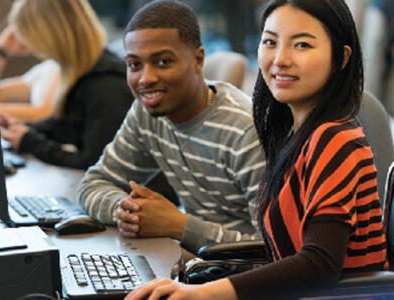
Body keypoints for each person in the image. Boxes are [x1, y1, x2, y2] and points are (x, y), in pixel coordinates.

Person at [126, 0, 387, 299]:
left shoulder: (335, 140)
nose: (280, 59)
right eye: (270, 42)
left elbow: (320, 264)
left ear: (341, 58)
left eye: (302, 45)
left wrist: (203, 293)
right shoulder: (294, 133)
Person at [77, 0, 264, 254]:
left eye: (163, 62)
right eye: (134, 65)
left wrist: (179, 225)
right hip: (193, 260)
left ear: (198, 59)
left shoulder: (246, 131)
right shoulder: (147, 113)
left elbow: (271, 249)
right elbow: (94, 183)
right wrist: (125, 211)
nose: (146, 78)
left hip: (239, 279)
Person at [0, 0, 133, 169]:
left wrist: (31, 142)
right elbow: (66, 126)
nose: (30, 48)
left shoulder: (105, 85)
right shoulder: (78, 70)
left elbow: (92, 162)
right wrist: (25, 130)